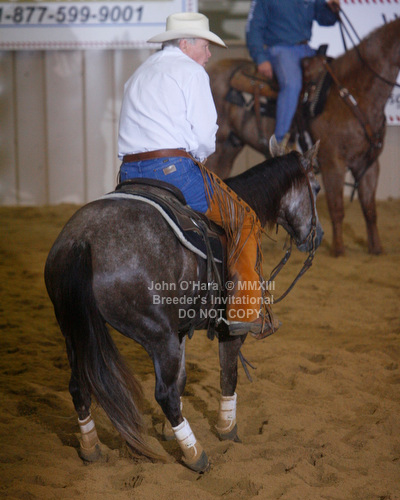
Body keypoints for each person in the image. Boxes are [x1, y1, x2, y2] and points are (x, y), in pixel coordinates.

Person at [118, 12, 279, 339]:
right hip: (173, 171)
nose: (208, 54)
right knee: (245, 221)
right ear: (185, 43)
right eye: (205, 46)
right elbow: (205, 135)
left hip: (128, 173)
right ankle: (244, 312)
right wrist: (200, 157)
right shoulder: (191, 72)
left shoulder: (139, 72)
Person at [246, 0, 340, 152]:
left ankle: (322, 135)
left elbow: (325, 19)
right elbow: (253, 28)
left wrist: (332, 9)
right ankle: (280, 142)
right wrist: (260, 58)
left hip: (306, 48)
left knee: (329, 81)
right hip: (280, 48)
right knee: (292, 84)